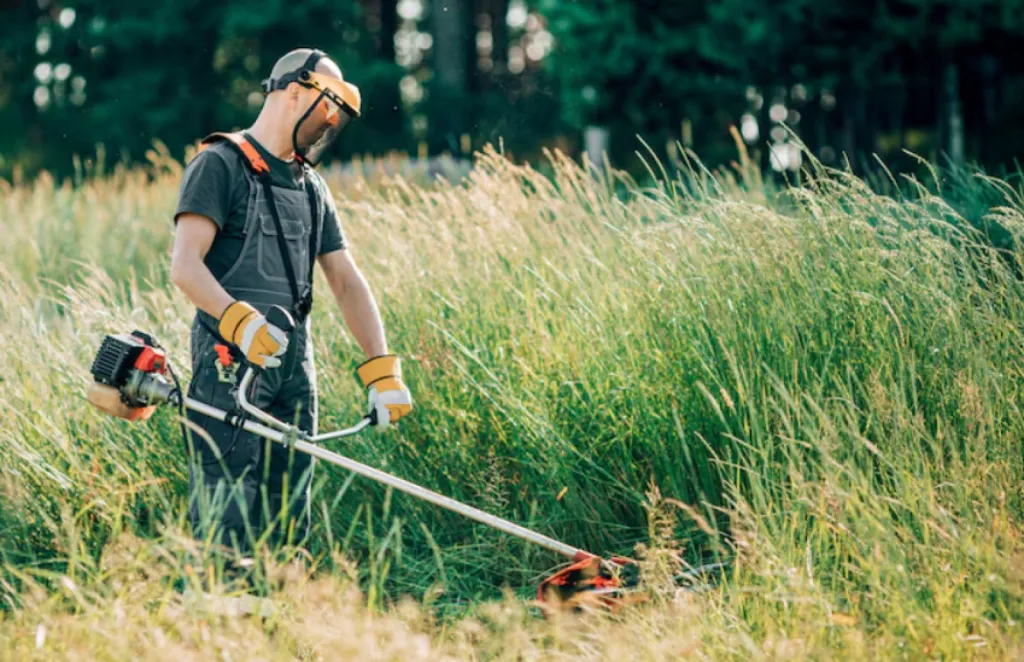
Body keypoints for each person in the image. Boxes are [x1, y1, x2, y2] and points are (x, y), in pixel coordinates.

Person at [169, 48, 413, 569]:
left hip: (294, 367)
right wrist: (240, 322)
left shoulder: (310, 185)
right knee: (225, 514)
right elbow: (185, 266)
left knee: (289, 516)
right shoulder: (220, 164)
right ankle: (219, 615)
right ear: (295, 93)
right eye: (328, 108)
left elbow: (345, 280)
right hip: (229, 364)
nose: (331, 123)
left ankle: (282, 609)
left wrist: (381, 368)